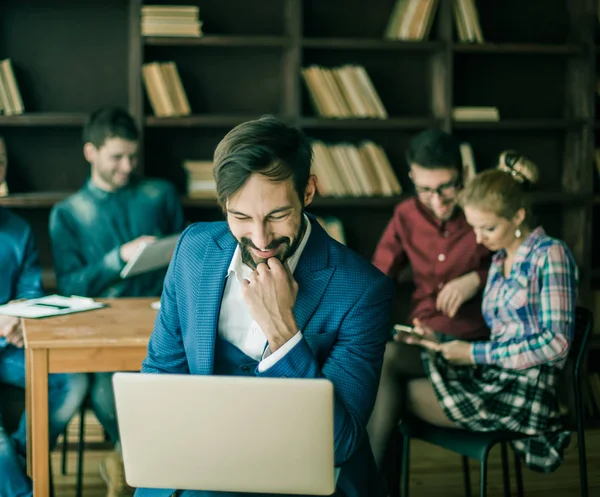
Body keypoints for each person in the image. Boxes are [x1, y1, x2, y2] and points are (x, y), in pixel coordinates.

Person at [134, 115, 395, 497]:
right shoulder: (193, 249)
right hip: (199, 466)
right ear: (223, 203)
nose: (260, 238)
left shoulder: (363, 290)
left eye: (277, 215)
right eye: (240, 217)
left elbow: (339, 443)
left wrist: (283, 331)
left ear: (307, 192)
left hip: (305, 478)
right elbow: (160, 372)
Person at [372, 151, 578, 474]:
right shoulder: (498, 260)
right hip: (492, 374)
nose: (478, 239)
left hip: (525, 388)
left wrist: (474, 353)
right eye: (474, 228)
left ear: (519, 216)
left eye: (488, 229)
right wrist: (436, 338)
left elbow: (556, 344)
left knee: (392, 393)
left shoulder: (550, 255)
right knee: (388, 362)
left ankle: (364, 486)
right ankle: (370, 487)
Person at [48, 107, 185, 497]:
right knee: (114, 396)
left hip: (162, 319)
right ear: (91, 152)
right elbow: (70, 284)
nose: (128, 166)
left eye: (133, 157)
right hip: (102, 329)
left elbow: (185, 254)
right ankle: (140, 470)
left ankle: (138, 470)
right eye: (117, 157)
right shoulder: (68, 214)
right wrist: (119, 257)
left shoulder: (159, 193)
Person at [368, 129, 491, 466]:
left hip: (470, 344)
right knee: (370, 358)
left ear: (463, 174)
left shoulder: (485, 213)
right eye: (425, 190)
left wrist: (476, 279)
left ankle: (366, 483)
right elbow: (378, 278)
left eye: (447, 187)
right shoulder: (406, 216)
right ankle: (373, 483)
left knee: (386, 362)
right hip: (424, 340)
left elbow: (517, 270)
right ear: (411, 178)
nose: (437, 201)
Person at [0, 140, 89, 496]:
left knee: (73, 379)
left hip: (9, 346)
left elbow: (32, 293)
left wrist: (21, 319)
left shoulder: (18, 230)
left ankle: (24, 452)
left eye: (1, 160)